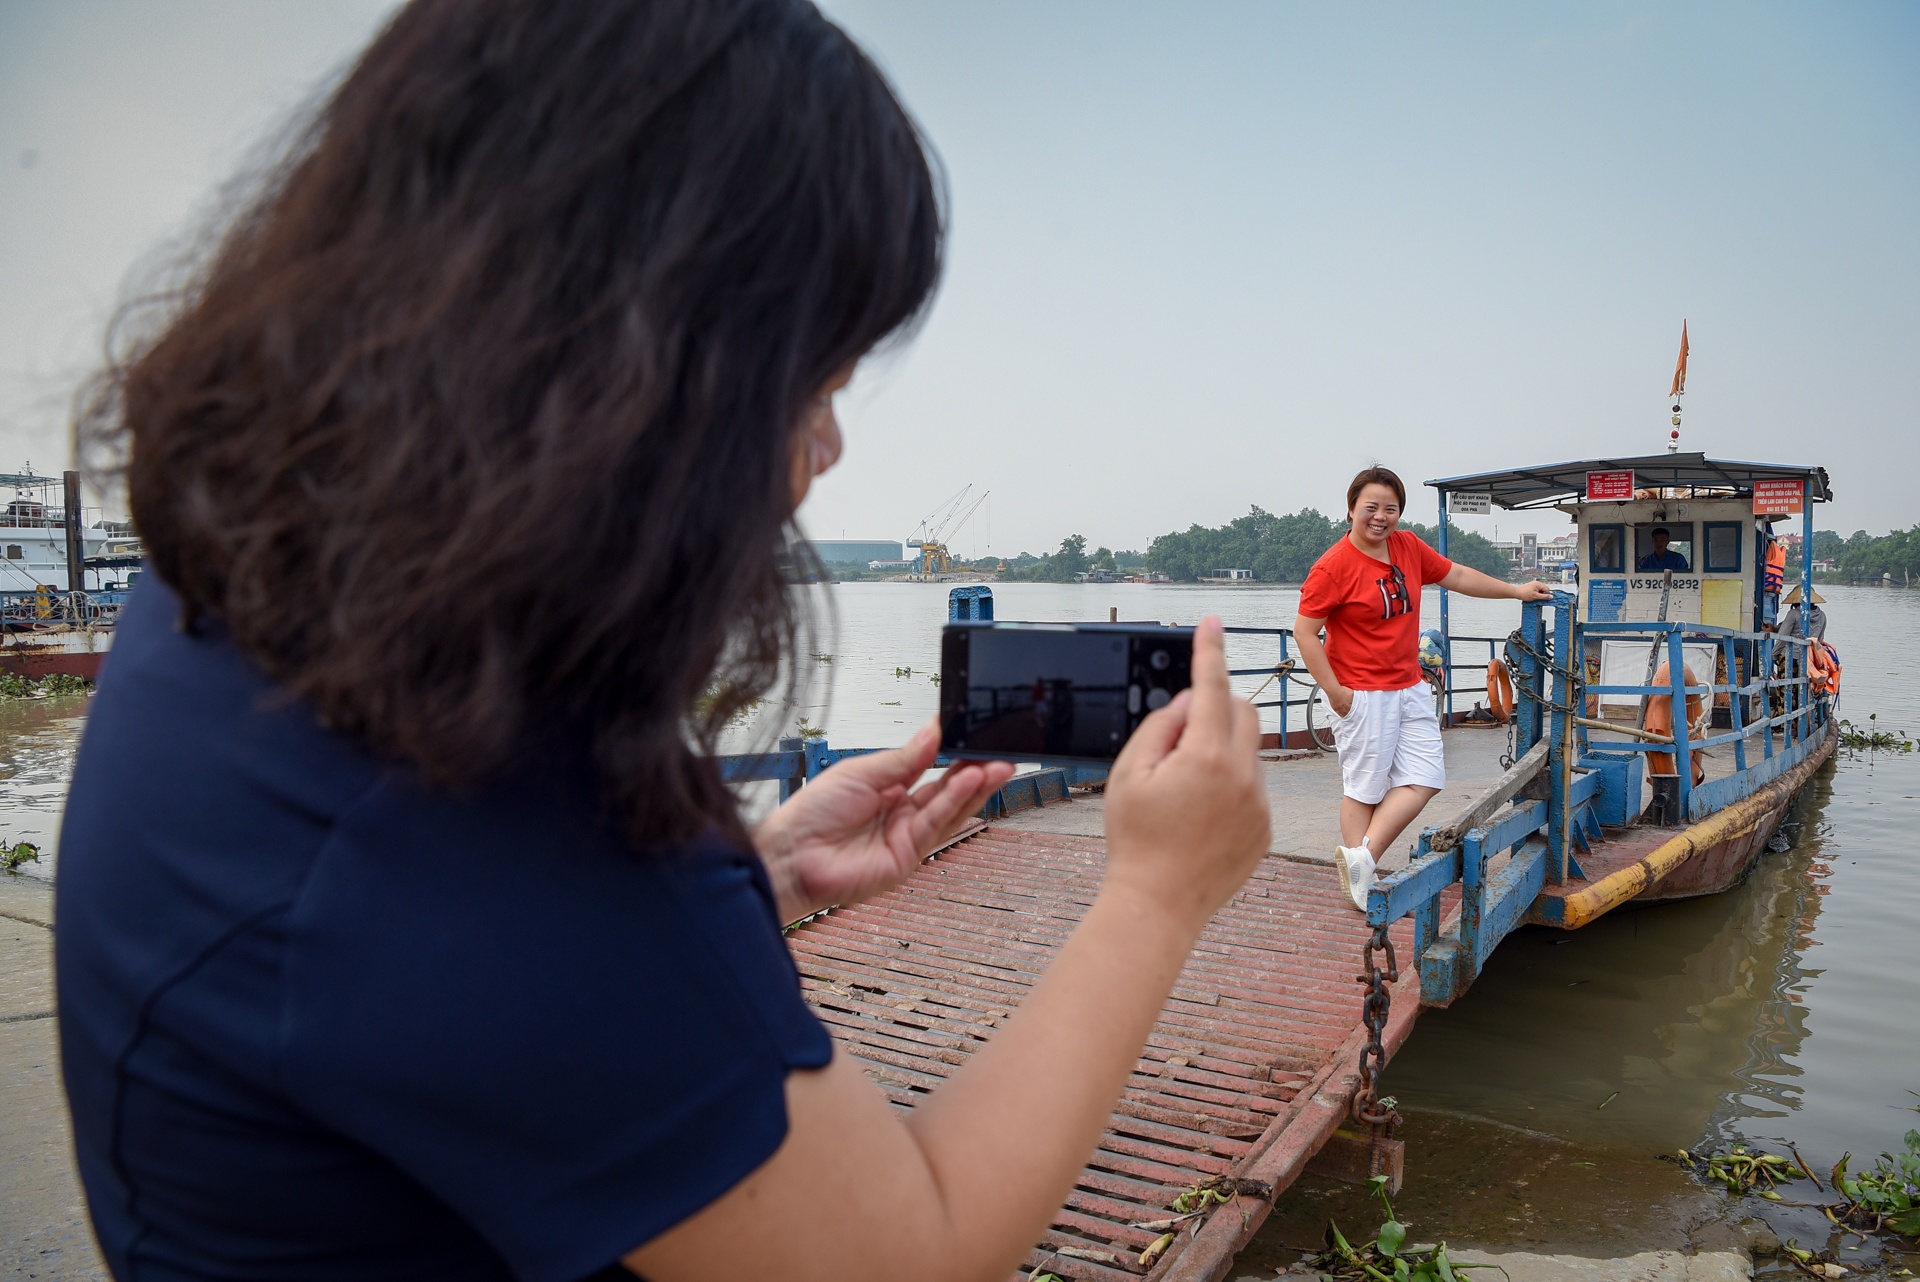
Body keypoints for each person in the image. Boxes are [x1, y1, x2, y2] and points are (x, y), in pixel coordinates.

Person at [54, 3, 1275, 1280]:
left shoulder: (244, 584)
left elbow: (463, 991)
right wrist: (1156, 893)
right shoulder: (496, 823)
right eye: (811, 386)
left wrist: (752, 875)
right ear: (636, 374)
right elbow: (911, 1252)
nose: (827, 449)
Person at [1293, 468, 1552, 911]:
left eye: (1390, 508)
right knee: (1364, 789)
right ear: (1351, 509)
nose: (1380, 517)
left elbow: (1457, 576)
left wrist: (1516, 591)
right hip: (1362, 693)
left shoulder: (1407, 547)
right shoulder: (1333, 566)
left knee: (1426, 777)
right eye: (1371, 507)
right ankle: (1362, 881)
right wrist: (1336, 693)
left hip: (1409, 686)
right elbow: (1304, 632)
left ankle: (1360, 861)